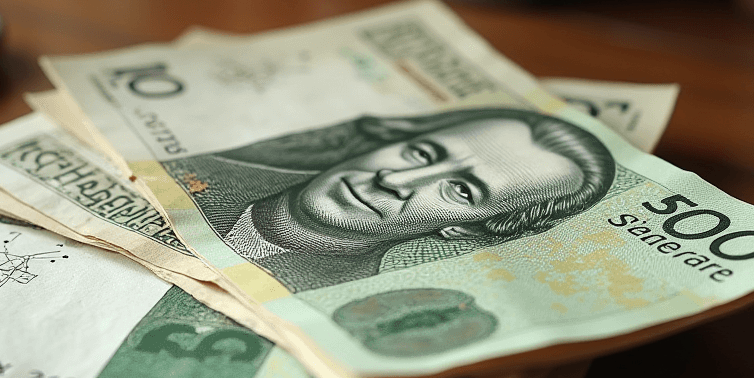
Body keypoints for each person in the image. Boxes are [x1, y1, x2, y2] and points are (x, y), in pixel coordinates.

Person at [164, 107, 616, 293]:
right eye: (422, 153)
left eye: (461, 190)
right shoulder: (199, 167)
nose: (397, 179)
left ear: (466, 227)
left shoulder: (343, 298)